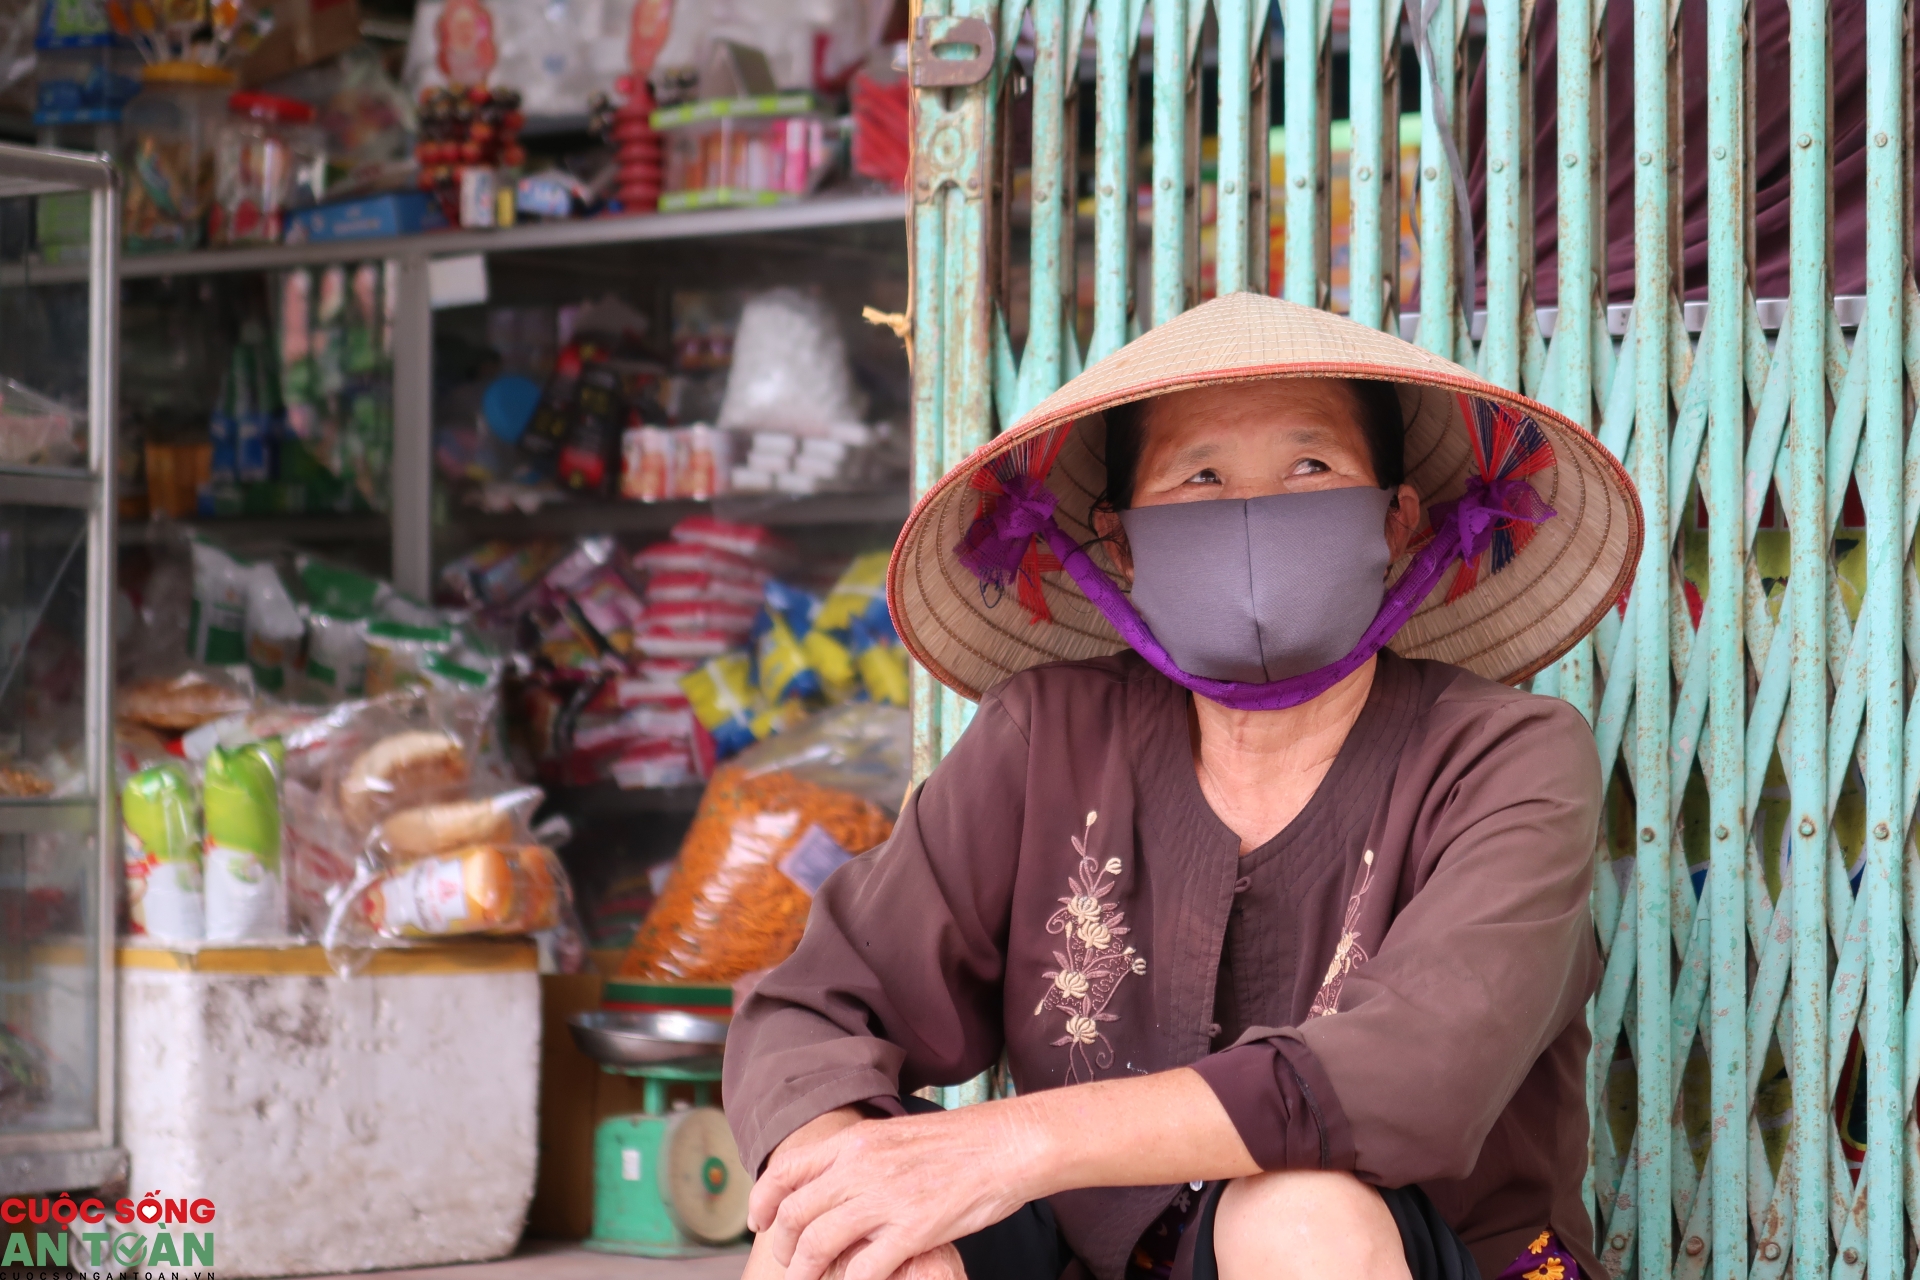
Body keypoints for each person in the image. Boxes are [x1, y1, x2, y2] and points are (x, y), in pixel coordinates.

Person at [723, 292, 1643, 1280]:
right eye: (1200, 477)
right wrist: (843, 1176)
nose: (1256, 514)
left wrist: (1009, 1142)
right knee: (852, 1224)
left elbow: (1416, 1073)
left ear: (1399, 523)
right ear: (1122, 547)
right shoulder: (1044, 740)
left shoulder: (1509, 755)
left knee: (1299, 1209)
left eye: (1311, 467)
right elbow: (812, 1009)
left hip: (1417, 1255)